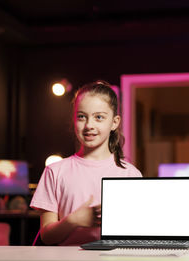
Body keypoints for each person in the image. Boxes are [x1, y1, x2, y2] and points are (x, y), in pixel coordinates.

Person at [30, 80, 142, 245]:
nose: (89, 125)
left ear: (114, 122)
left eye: (99, 117)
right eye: (82, 117)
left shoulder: (130, 174)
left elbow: (137, 235)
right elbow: (46, 237)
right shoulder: (54, 171)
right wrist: (74, 220)